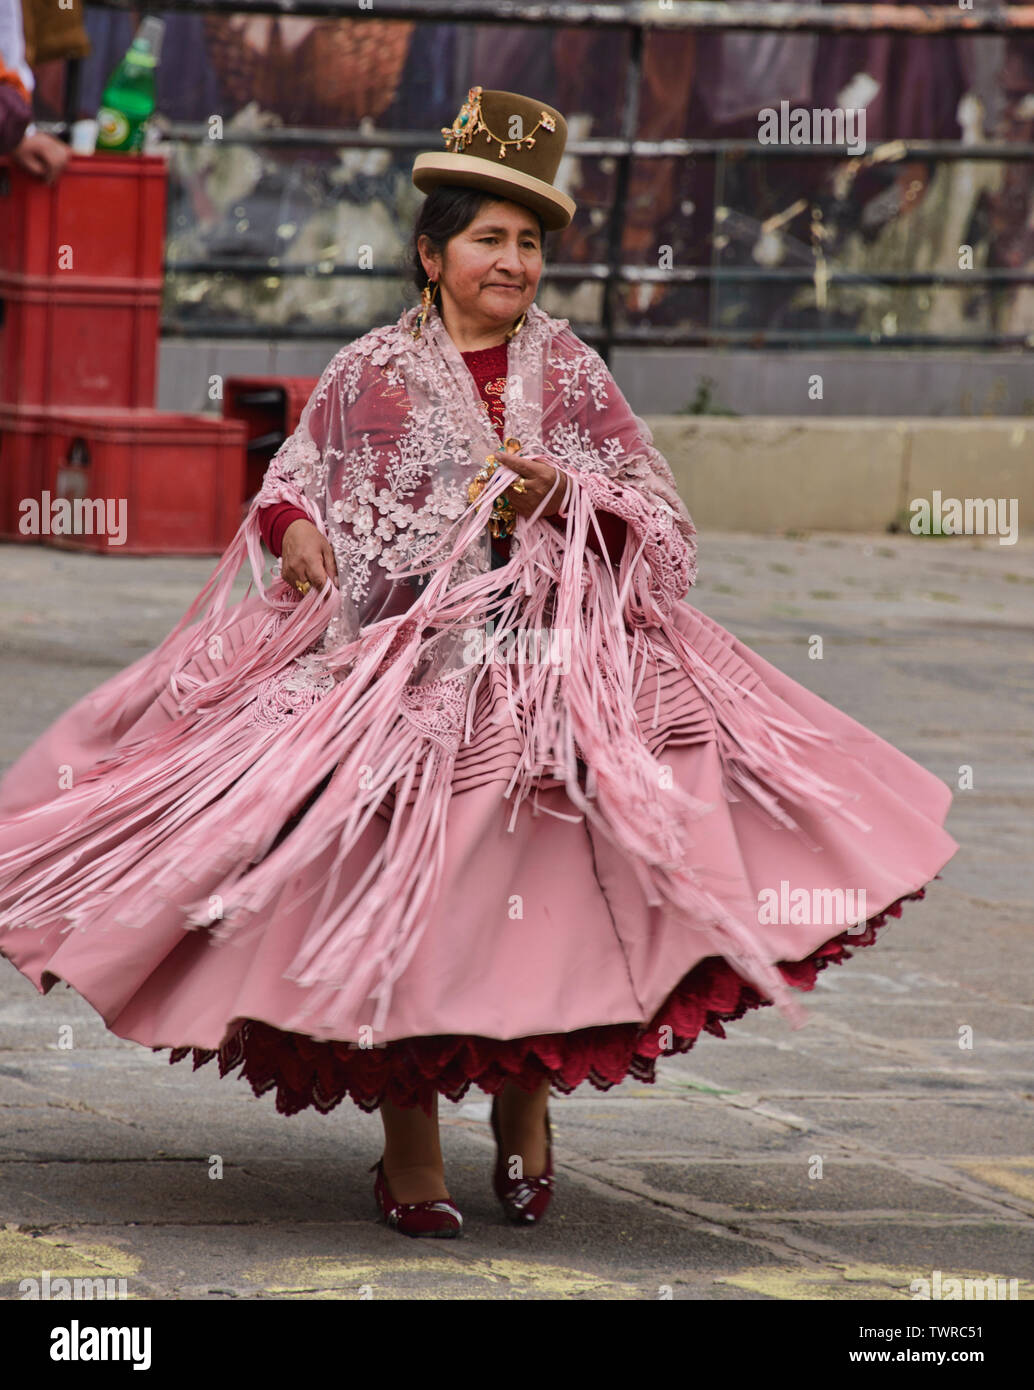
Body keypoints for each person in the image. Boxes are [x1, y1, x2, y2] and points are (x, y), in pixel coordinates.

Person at [0, 87, 958, 1240]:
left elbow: (658, 514)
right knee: (399, 909)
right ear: (429, 250)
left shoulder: (574, 371)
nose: (512, 262)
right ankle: (410, 1150)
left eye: (529, 243)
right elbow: (296, 480)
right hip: (397, 677)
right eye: (488, 238)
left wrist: (564, 490)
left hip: (553, 683)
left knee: (536, 913)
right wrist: (297, 535)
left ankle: (524, 1109)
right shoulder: (369, 372)